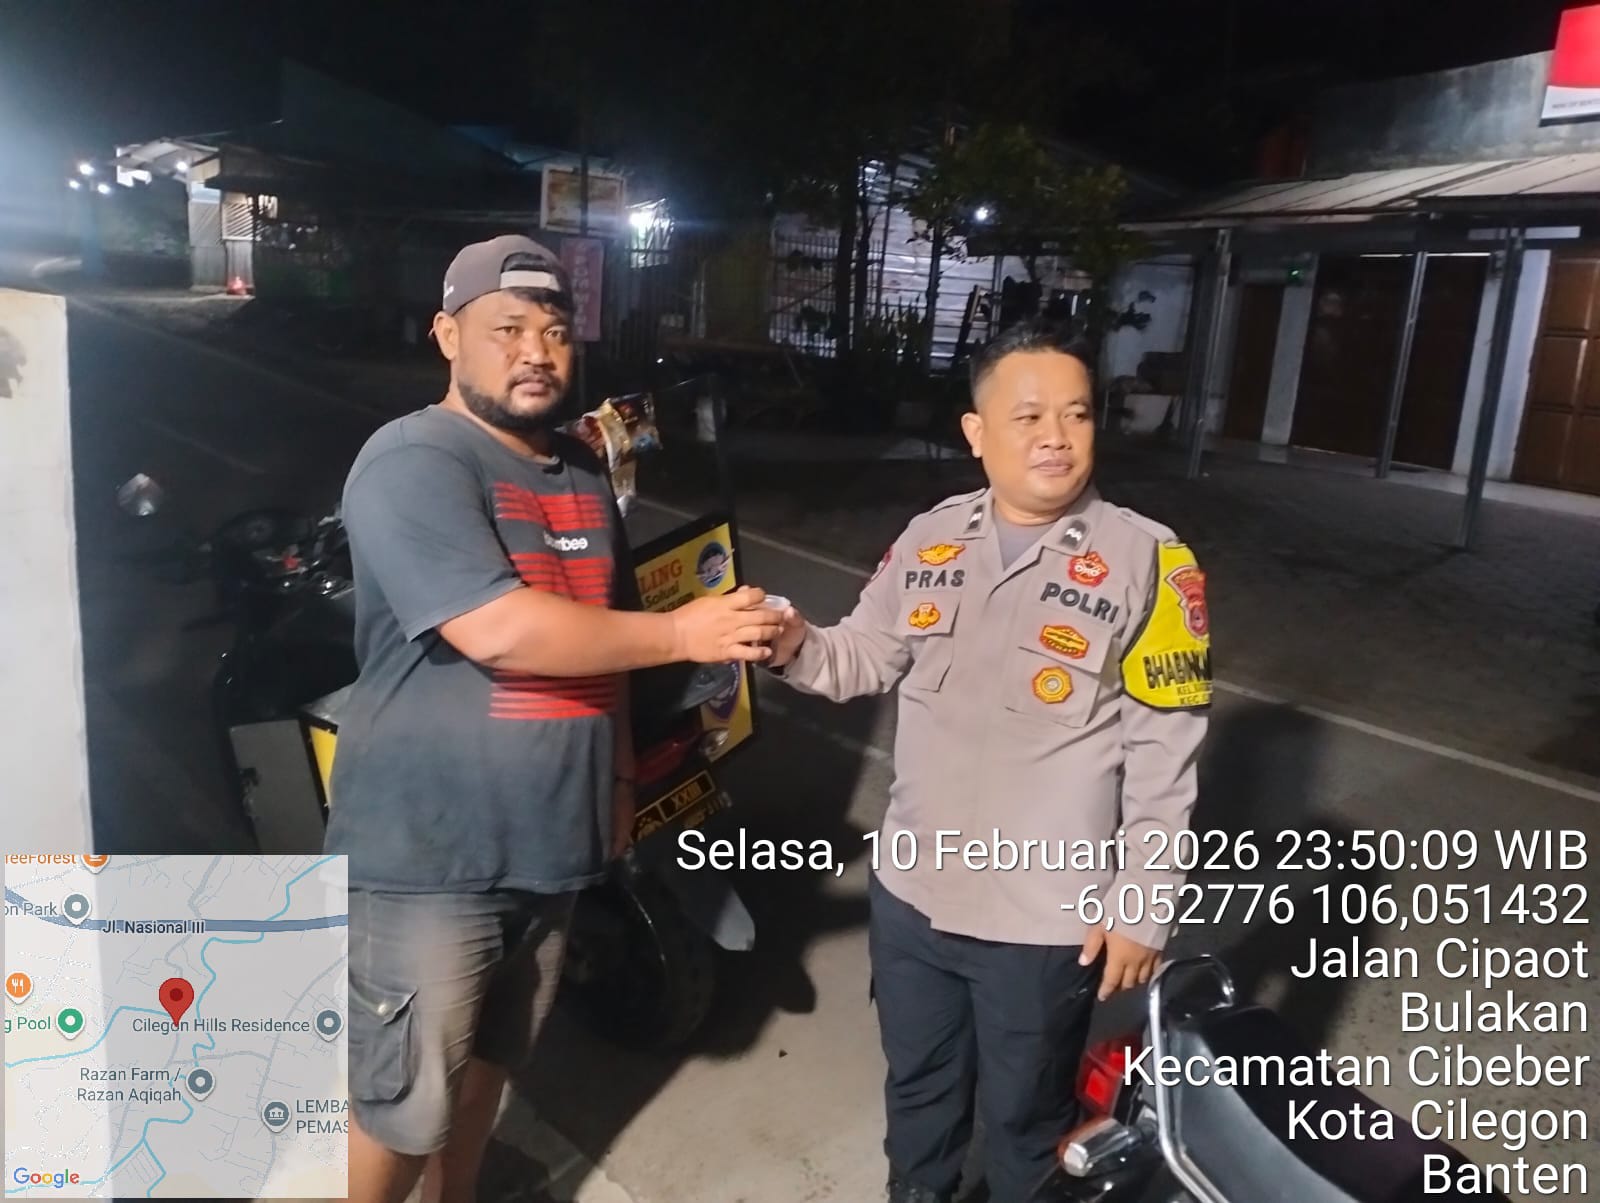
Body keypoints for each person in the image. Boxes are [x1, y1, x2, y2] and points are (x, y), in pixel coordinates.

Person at [322, 234, 783, 1203]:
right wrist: (687, 632)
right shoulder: (413, 459)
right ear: (448, 335)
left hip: (553, 849)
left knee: (490, 1064)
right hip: (427, 861)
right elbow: (499, 628)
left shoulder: (579, 469)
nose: (536, 351)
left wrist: (617, 779)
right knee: (405, 1101)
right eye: (508, 329)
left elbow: (604, 635)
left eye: (555, 330)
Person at [764, 319, 1211, 1203]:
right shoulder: (931, 537)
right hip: (914, 899)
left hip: (1041, 924)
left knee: (1025, 1127)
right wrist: (792, 643)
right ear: (976, 431)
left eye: (1076, 414)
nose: (1056, 436)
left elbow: (1167, 756)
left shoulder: (1152, 560)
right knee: (919, 1098)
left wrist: (1143, 903)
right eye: (1029, 416)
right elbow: (859, 657)